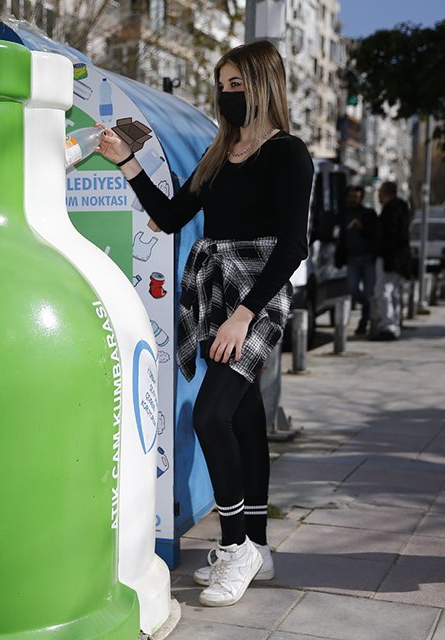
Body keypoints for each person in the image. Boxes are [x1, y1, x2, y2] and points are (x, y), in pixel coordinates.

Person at [97, 40, 312, 608]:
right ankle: (259, 550)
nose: (227, 93)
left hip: (257, 295)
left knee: (211, 415)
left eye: (238, 83)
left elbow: (294, 246)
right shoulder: (221, 153)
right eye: (221, 83)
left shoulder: (288, 154)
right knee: (242, 419)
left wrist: (245, 315)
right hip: (214, 289)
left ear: (265, 85)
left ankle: (236, 545)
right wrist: (128, 160)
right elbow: (169, 216)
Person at [371, 181, 411, 340]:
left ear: (386, 193)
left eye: (380, 192)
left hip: (390, 259)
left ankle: (388, 326)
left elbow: (390, 236)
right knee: (393, 293)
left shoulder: (391, 211)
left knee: (383, 292)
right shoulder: (400, 208)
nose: (378, 196)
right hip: (397, 259)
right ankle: (394, 324)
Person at [335, 185, 377, 335]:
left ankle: (364, 323)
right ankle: (369, 308)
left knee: (367, 293)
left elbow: (375, 234)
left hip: (367, 258)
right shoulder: (342, 214)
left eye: (356, 197)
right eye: (350, 197)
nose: (353, 200)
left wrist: (362, 228)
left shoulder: (368, 213)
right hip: (352, 259)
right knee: (353, 289)